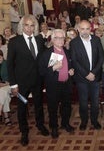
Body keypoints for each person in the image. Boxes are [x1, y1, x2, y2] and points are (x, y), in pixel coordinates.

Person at [7, 14, 49, 146]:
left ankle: (40, 125)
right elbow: (10, 65)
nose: (29, 28)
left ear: (35, 27)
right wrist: (13, 84)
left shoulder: (39, 40)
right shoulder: (14, 42)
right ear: (21, 26)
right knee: (21, 107)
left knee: (38, 105)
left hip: (37, 80)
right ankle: (24, 132)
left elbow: (44, 58)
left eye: (32, 25)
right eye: (26, 25)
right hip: (22, 82)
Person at [39, 29, 75, 139]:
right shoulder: (47, 53)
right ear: (53, 39)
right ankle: (54, 127)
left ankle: (65, 123)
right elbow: (41, 72)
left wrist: (71, 71)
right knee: (53, 108)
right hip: (53, 86)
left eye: (62, 38)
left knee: (66, 106)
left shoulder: (67, 51)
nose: (60, 40)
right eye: (57, 38)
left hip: (66, 83)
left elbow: (71, 65)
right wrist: (53, 68)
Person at [70, 20, 104, 130]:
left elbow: (101, 57)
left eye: (87, 29)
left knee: (95, 101)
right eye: (82, 29)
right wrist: (86, 74)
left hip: (95, 77)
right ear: (78, 29)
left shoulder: (96, 40)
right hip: (81, 78)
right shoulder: (74, 43)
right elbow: (75, 61)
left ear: (91, 29)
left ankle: (94, 121)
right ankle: (84, 121)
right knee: (83, 102)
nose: (85, 31)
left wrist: (93, 72)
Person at [0, 50, 12, 126]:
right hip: (1, 87)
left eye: (0, 56)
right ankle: (6, 117)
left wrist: (4, 84)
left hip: (10, 85)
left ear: (2, 56)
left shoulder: (7, 63)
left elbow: (13, 77)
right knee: (4, 95)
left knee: (2, 91)